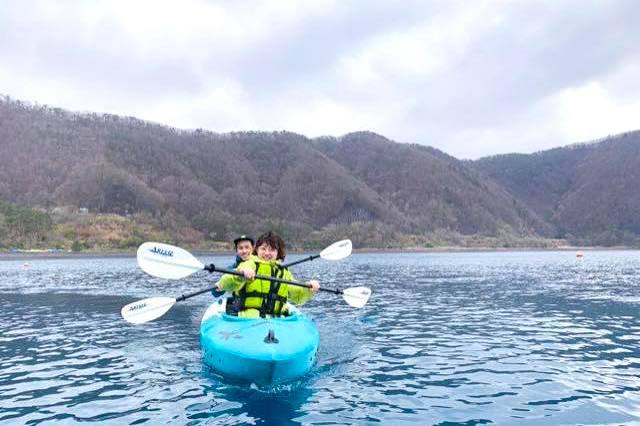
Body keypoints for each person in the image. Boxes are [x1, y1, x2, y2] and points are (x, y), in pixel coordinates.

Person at [215, 231, 320, 318]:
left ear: (278, 252)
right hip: (249, 319)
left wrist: (309, 288)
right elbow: (226, 282)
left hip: (278, 321)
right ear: (257, 250)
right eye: (263, 249)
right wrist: (240, 275)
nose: (267, 253)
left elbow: (298, 296)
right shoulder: (249, 264)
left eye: (272, 250)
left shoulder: (283, 272)